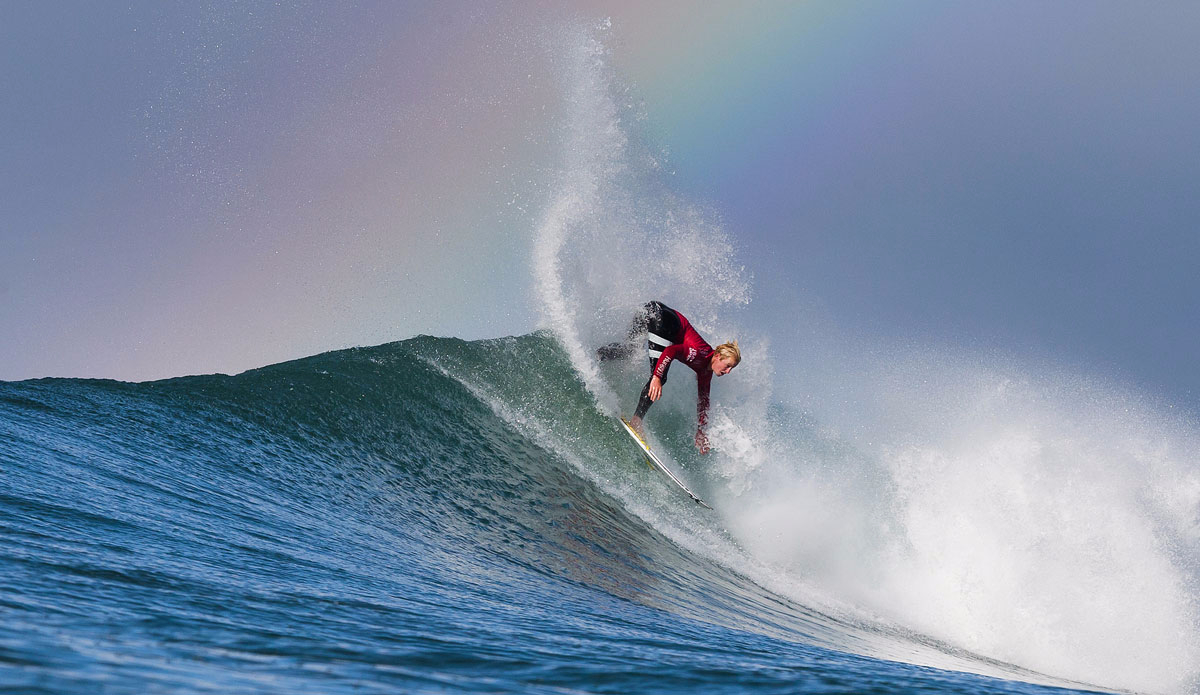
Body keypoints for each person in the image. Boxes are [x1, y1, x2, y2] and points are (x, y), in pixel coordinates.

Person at [598, 301, 740, 454]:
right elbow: (671, 350)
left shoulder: (706, 373)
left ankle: (598, 355)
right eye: (728, 366)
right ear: (717, 357)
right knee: (660, 377)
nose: (728, 371)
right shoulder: (699, 353)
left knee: (630, 350)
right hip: (662, 320)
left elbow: (703, 400)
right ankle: (636, 421)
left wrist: (701, 431)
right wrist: (657, 377)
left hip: (651, 309)